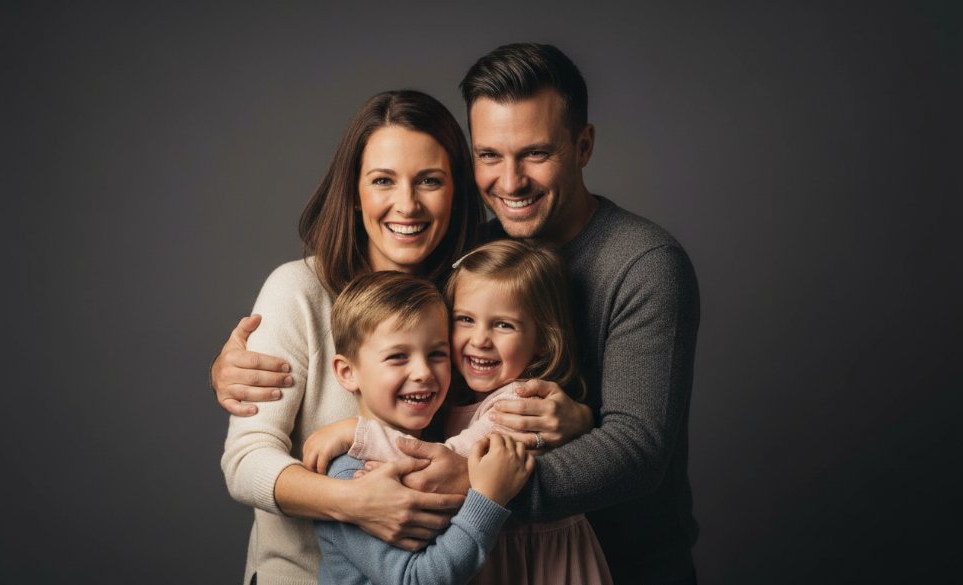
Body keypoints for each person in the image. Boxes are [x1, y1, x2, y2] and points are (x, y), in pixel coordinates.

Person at [215, 43, 701, 584]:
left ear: (583, 145)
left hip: (603, 565)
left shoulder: (485, 274)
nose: (510, 181)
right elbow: (249, 455)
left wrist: (581, 421)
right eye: (489, 155)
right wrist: (353, 499)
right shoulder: (337, 286)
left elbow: (631, 445)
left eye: (536, 153)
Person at [306, 239, 612, 585]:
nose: (480, 339)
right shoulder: (353, 472)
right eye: (465, 319)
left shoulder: (519, 404)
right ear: (347, 372)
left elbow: (441, 464)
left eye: (504, 325)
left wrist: (356, 432)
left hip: (540, 563)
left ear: (542, 339)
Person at [314, 270, 533, 585]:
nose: (423, 372)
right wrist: (488, 499)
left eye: (436, 354)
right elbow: (415, 579)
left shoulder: (442, 439)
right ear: (347, 372)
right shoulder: (351, 475)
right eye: (398, 357)